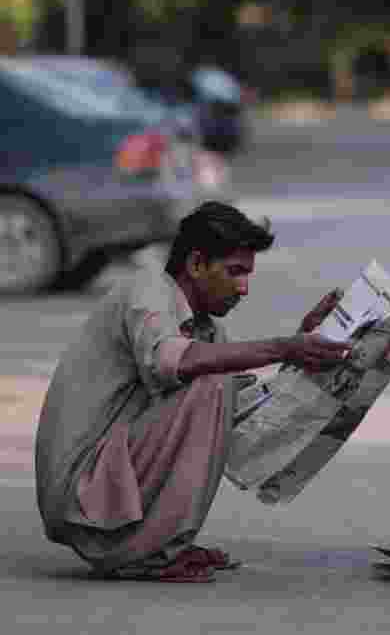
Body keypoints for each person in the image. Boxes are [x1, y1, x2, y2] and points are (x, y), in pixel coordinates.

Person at [34, 201, 352, 583]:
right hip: (80, 493)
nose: (244, 288)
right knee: (213, 381)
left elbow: (241, 419)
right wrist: (285, 346)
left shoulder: (206, 331)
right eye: (234, 272)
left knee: (220, 385)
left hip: (109, 482)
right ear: (197, 263)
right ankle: (145, 553)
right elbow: (174, 362)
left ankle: (155, 544)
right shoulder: (148, 288)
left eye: (248, 274)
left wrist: (303, 351)